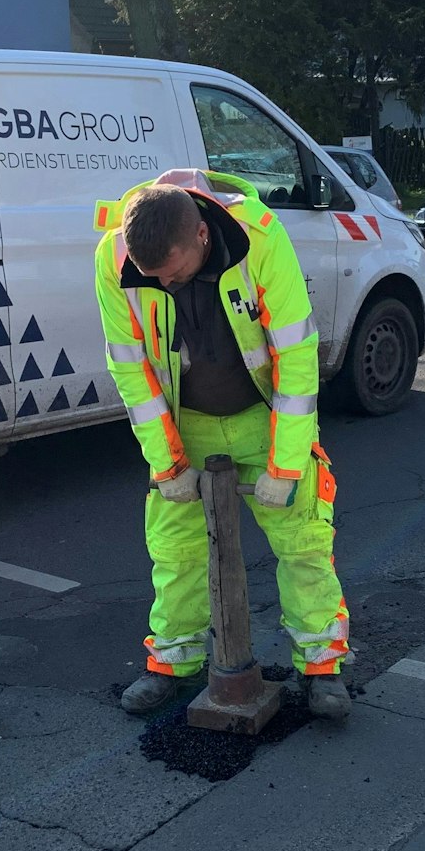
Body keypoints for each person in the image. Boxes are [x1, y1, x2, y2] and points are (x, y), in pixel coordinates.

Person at [93, 169, 350, 720]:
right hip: (186, 422)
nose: (163, 286)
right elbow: (132, 370)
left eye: (173, 274)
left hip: (263, 416)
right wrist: (168, 466)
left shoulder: (259, 239)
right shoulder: (115, 257)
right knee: (175, 550)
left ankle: (322, 666)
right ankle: (173, 661)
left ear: (202, 238)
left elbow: (296, 357)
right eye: (152, 277)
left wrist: (285, 465)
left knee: (304, 541)